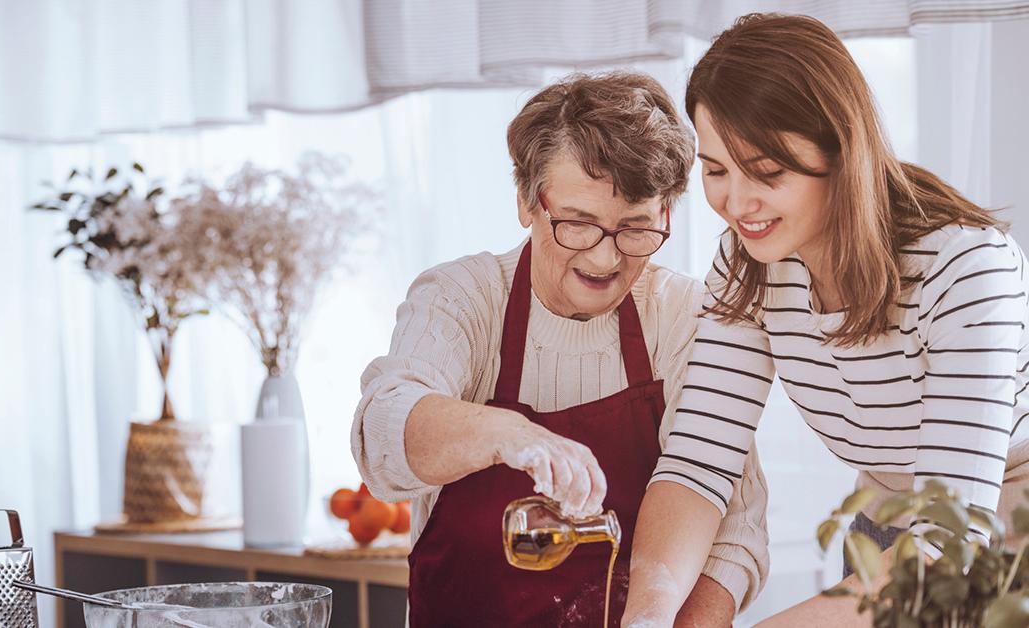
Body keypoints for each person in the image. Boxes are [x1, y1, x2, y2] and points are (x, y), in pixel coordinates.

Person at [621, 13, 1029, 627]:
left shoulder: (965, 267)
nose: (737, 203)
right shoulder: (747, 263)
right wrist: (648, 615)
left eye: (767, 172)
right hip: (887, 527)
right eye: (716, 170)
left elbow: (950, 543)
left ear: (842, 151)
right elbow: (697, 466)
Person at [352, 72, 768, 627]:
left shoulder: (683, 317)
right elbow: (383, 437)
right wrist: (508, 435)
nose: (604, 259)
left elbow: (733, 531)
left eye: (635, 228)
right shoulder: (464, 297)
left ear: (666, 215)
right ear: (527, 200)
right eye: (578, 223)